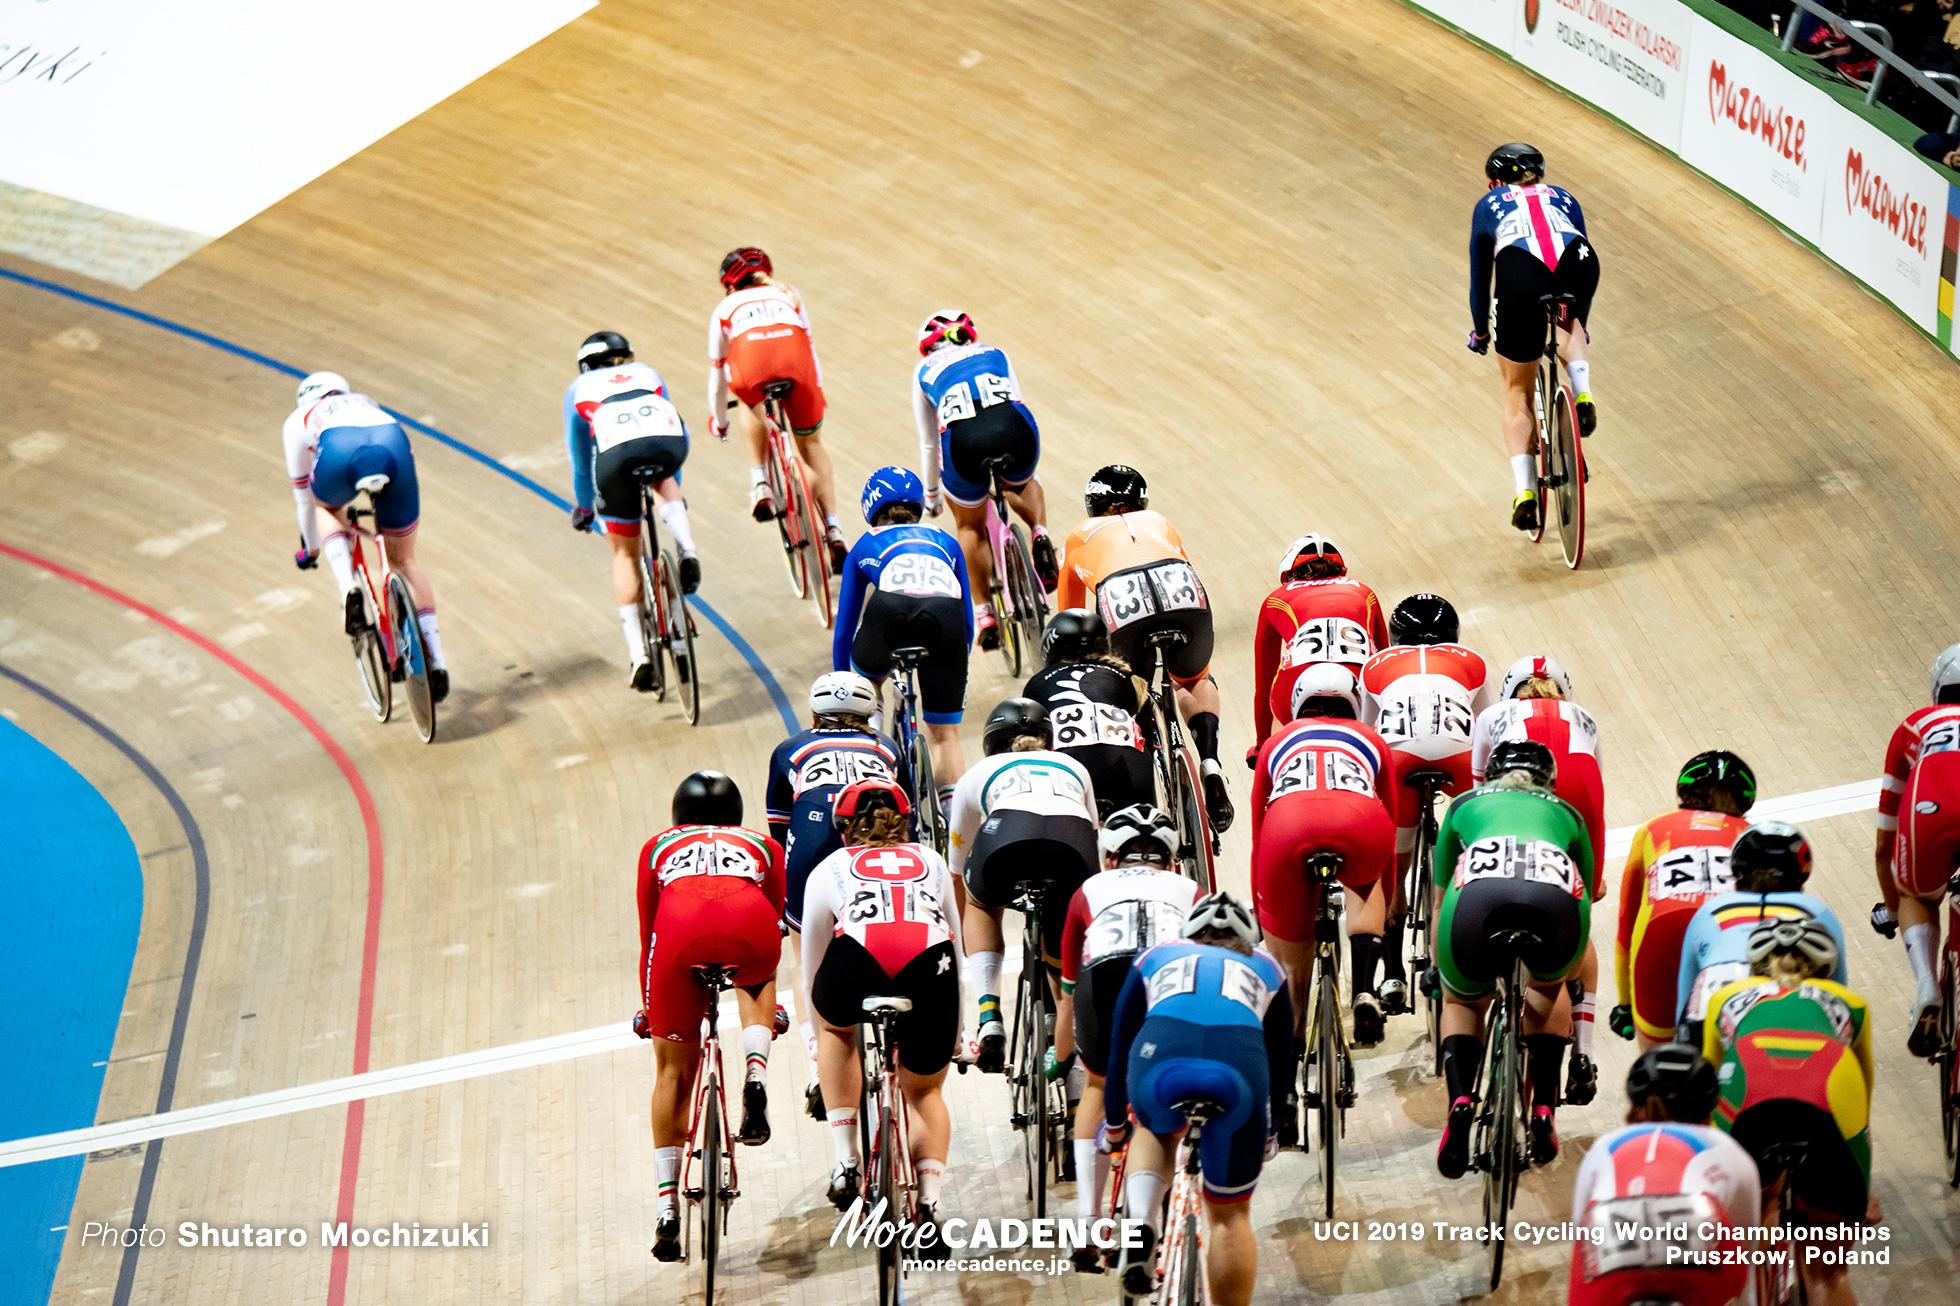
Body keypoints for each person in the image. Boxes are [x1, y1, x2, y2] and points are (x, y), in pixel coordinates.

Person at [1104, 893, 1294, 1306]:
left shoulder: (1155, 955)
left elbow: (1119, 1042)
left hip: (1161, 1061)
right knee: (1229, 1216)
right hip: (1237, 1071)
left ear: (1189, 933)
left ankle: (1140, 1225)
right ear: (1249, 942)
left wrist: (1116, 1121)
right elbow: (1283, 1062)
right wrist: (1271, 1129)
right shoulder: (1269, 967)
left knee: (1153, 1131)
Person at [801, 778, 964, 1236]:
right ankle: (929, 1204)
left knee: (836, 1029)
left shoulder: (830, 866)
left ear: (845, 830)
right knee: (924, 1092)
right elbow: (958, 945)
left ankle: (846, 1160)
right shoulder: (930, 860)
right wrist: (958, 1036)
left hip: (858, 960)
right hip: (930, 964)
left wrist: (818, 1036)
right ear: (905, 824)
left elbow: (811, 966)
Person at [633, 772, 785, 1261]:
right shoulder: (763, 845)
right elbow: (776, 920)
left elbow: (648, 934)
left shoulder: (656, 846)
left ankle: (666, 1209)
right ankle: (755, 1070)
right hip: (749, 928)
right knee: (759, 975)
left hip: (679, 937)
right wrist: (770, 1009)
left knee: (673, 1072)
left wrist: (650, 1009)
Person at [1432, 740, 1594, 1177]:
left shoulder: (1464, 803)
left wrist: (1441, 969)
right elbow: (1586, 898)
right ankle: (1543, 1106)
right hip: (1553, 904)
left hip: (1478, 900)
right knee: (1551, 987)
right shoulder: (1570, 815)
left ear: (1488, 777)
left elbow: (1440, 898)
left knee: (1461, 1001)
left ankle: (1462, 1099)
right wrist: (1561, 976)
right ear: (1551, 784)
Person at [1052, 804, 1200, 1272]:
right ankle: (1154, 1210)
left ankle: (1086, 1223)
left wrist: (1060, 1061)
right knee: (1171, 1088)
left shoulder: (1088, 890)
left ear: (1110, 857)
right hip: (1169, 979)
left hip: (1105, 979)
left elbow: (1069, 996)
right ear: (1170, 860)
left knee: (1096, 1082)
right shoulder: (1191, 889)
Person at [1703, 919, 1875, 1306]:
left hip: (1748, 1088)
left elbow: (1705, 1091)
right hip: (1830, 1092)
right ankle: (1827, 1278)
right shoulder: (1853, 1004)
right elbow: (1864, 1095)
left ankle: (1751, 1263)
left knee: (1747, 1221)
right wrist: (1862, 1186)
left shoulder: (1724, 998)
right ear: (1824, 969)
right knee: (1829, 1271)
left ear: (1756, 966)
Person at [1057, 465, 1233, 831]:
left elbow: (1068, 620)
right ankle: (1211, 762)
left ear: (1093, 506)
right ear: (1142, 500)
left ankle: (1142, 776)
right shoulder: (1160, 521)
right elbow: (1185, 569)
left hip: (1122, 600)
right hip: (1181, 593)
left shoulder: (1078, 535)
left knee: (1125, 695)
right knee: (1192, 678)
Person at [765, 671, 909, 1111]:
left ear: (813, 714)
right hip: (875, 837)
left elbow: (777, 828)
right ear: (870, 714)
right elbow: (906, 819)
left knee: (802, 956)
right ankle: (898, 1047)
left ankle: (816, 1060)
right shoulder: (888, 748)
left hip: (810, 843)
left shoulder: (789, 749)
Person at [1469, 654, 1606, 1102]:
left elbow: (1474, 794)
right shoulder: (1584, 718)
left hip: (1512, 808)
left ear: (1510, 691)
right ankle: (1582, 1051)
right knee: (1574, 918)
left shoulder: (1493, 716)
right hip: (1578, 805)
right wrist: (1594, 876)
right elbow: (1595, 802)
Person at [1249, 665, 1396, 1075]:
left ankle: (1289, 1092)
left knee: (1293, 971)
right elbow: (1391, 819)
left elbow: (1259, 837)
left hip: (1288, 830)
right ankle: (1365, 990)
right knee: (1366, 880)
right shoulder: (1371, 738)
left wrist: (1267, 913)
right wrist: (1390, 898)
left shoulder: (1276, 741)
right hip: (1359, 823)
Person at [948, 697, 1099, 1070]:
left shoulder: (975, 775)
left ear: (991, 742)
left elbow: (955, 866)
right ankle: (1070, 1033)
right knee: (1065, 915)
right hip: (1073, 843)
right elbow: (1096, 834)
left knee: (981, 904)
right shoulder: (1073, 766)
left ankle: (989, 1017)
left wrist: (964, 918)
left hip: (1007, 838)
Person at [1360, 593, 1491, 1012]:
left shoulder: (1373, 666)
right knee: (1481, 839)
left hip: (1398, 760)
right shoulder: (1472, 660)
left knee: (1392, 868)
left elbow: (1365, 734)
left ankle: (1394, 974)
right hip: (1457, 755)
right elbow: (1490, 728)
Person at [285, 371, 449, 701]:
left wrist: (311, 549)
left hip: (338, 450)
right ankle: (438, 660)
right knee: (404, 561)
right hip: (394, 445)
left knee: (326, 508)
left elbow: (303, 497)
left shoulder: (297, 420)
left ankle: (349, 587)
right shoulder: (366, 402)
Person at [1466, 142, 1601, 533]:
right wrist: (1578, 323)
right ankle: (1583, 391)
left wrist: (1481, 331)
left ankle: (1525, 492)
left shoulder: (1487, 205)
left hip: (1521, 269)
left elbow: (1481, 283)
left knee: (1516, 390)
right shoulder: (1565, 197)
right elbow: (1580, 252)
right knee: (1568, 322)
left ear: (1494, 181)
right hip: (1580, 261)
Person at [562, 331, 701, 690]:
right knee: (665, 477)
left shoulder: (577, 389)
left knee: (625, 555)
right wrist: (674, 499)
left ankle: (639, 653)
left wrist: (584, 507)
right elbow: (669, 421)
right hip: (668, 445)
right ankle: (686, 547)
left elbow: (580, 462)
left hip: (615, 459)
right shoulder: (648, 372)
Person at [1568, 1047, 1760, 1306]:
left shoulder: (1604, 1146)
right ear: (1709, 1110)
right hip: (1697, 1252)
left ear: (1635, 1106)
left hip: (1609, 1239)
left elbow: (1578, 1231)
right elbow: (1747, 1251)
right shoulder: (1728, 1150)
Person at [911, 311, 1057, 649]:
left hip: (966, 446)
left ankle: (984, 614)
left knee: (969, 526)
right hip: (1014, 430)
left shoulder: (923, 371)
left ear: (928, 347)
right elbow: (1017, 400)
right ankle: (1040, 534)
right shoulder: (995, 351)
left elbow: (929, 440)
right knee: (1023, 481)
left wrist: (932, 495)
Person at [705, 247, 846, 569]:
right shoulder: (789, 293)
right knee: (810, 445)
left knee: (749, 398)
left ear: (729, 284)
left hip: (753, 369)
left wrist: (721, 421)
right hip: (799, 367)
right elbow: (809, 345)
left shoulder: (725, 307)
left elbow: (717, 374)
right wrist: (815, 390)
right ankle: (835, 529)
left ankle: (760, 484)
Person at [834, 467, 973, 791]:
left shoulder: (865, 542)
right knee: (945, 734)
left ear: (871, 508)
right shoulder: (946, 541)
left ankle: (872, 763)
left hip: (890, 613)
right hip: (945, 618)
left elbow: (844, 631)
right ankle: (954, 829)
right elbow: (967, 621)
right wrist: (954, 666)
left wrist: (848, 691)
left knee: (867, 680)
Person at [1612, 751, 1753, 1048]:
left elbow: (1627, 925)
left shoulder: (1651, 829)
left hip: (1662, 934)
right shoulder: (1753, 836)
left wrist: (1625, 1004)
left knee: (1659, 1074)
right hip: (1730, 938)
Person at [1675, 821, 1847, 1050]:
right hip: (1789, 1004)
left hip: (1712, 1004)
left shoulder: (1709, 909)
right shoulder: (1817, 910)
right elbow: (1839, 992)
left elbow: (1686, 989)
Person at [1870, 642, 1960, 1056]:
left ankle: (1927, 982)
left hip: (1932, 806)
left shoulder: (1915, 725)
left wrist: (1893, 906)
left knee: (1918, 897)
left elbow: (1884, 844)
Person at [1250, 534, 1389, 750]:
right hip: (1359, 685)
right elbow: (1386, 664)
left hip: (1297, 687)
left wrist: (1260, 747)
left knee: (1279, 733)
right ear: (1340, 569)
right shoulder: (1364, 591)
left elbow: (1263, 684)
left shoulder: (1275, 598)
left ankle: (1282, 760)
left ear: (1289, 574)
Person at [1024, 609, 1152, 818]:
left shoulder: (1036, 683)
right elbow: (1148, 736)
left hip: (1069, 773)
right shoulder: (1125, 676)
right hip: (1128, 769)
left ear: (1049, 649)